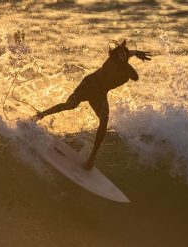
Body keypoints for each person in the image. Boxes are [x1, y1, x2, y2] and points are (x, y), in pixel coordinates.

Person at [32, 40, 152, 170]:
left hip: (100, 94)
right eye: (120, 54)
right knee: (70, 105)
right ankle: (40, 115)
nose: (123, 56)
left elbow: (135, 75)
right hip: (89, 85)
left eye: (124, 54)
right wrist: (129, 56)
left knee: (104, 120)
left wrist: (135, 52)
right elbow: (127, 66)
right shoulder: (112, 62)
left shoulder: (124, 64)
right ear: (115, 55)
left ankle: (92, 157)